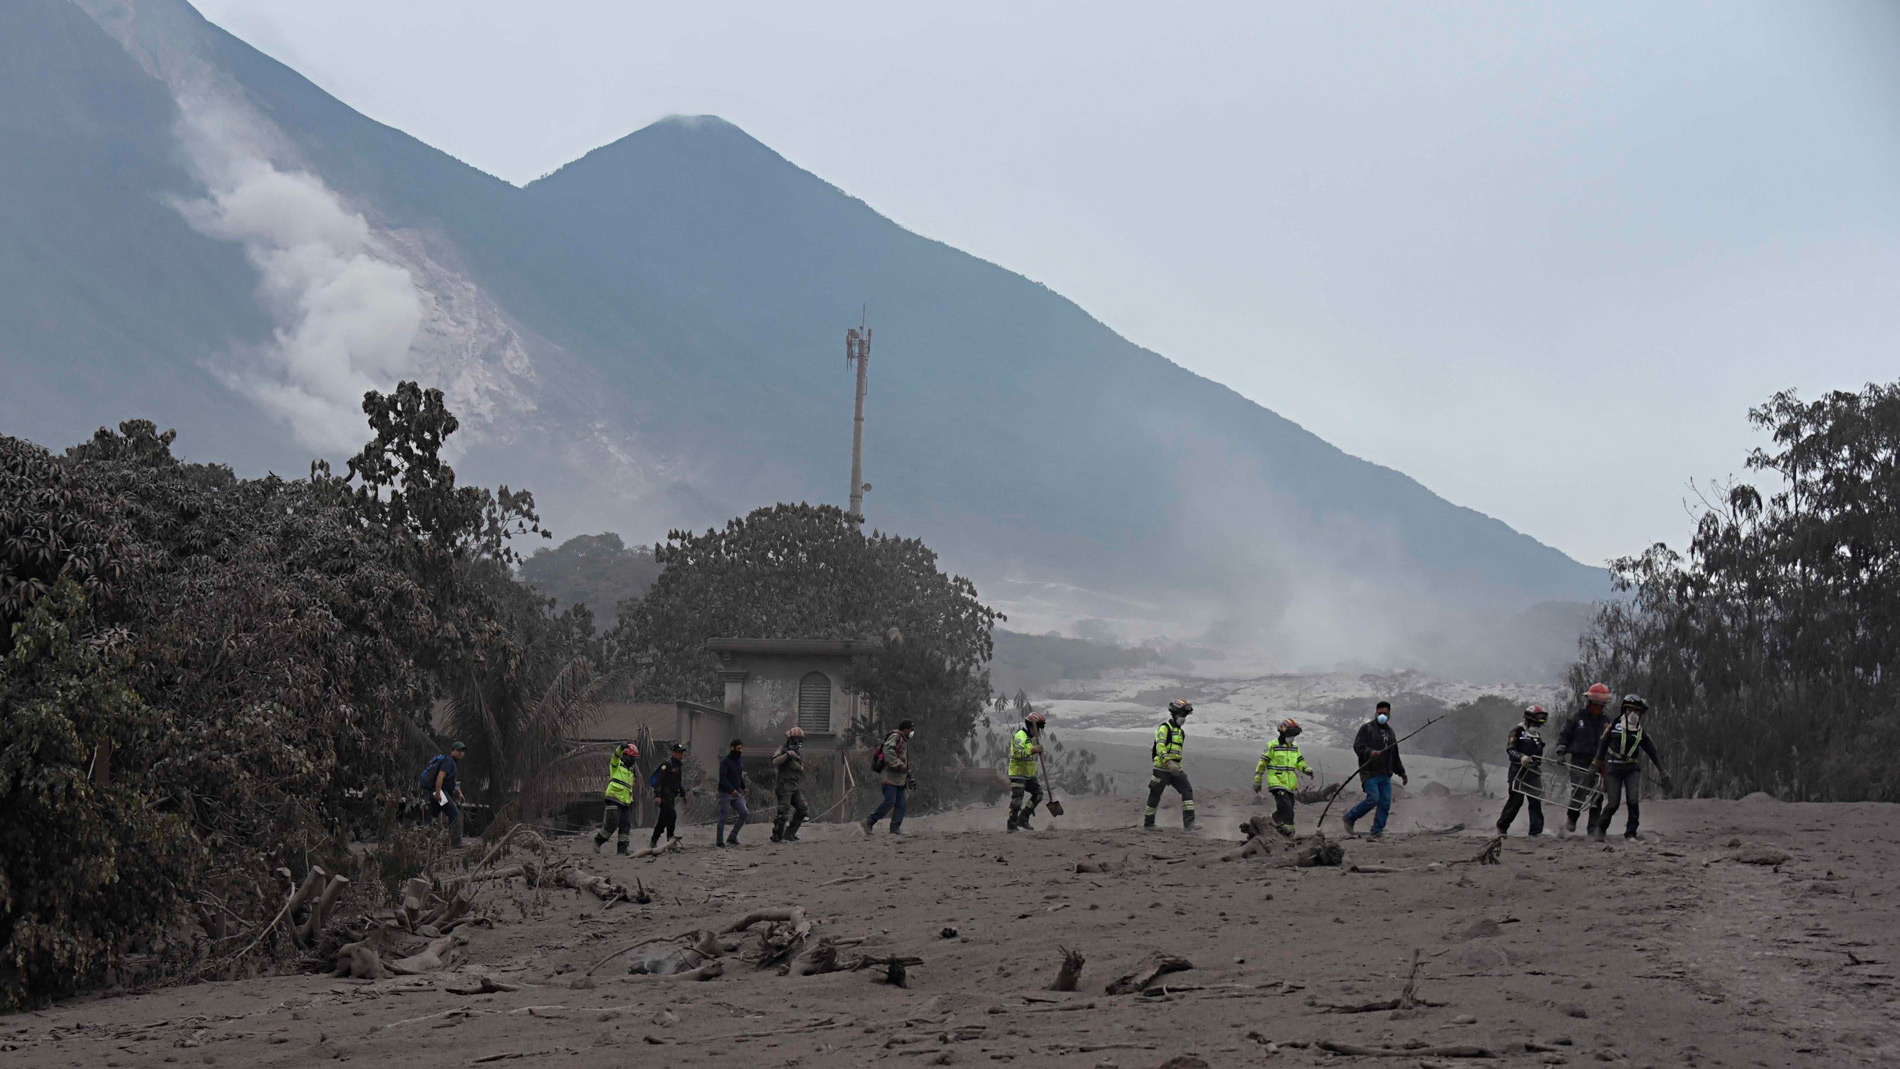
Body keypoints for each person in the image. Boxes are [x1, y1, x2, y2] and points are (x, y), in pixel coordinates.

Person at [1591, 694, 1673, 842]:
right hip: (1613, 768)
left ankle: (1631, 834)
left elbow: (1652, 752)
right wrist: (1595, 764)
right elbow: (1603, 745)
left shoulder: (1641, 732)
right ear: (1625, 710)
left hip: (1631, 769)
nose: (1634, 714)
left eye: (1637, 711)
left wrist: (1663, 773)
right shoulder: (1614, 726)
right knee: (1613, 803)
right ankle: (1601, 828)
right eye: (1631, 710)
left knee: (1633, 801)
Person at [1344, 702, 1408, 838]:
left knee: (1385, 803)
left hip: (1385, 773)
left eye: (1385, 713)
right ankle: (1350, 817)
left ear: (1389, 715)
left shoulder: (1390, 732)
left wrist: (1401, 772)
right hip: (1369, 772)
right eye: (1380, 713)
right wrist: (1370, 752)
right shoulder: (1367, 728)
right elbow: (1358, 746)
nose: (1382, 716)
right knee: (1373, 798)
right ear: (1375, 713)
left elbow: (1394, 754)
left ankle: (1377, 831)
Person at [1556, 683, 1615, 833]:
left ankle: (1593, 827)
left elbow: (1612, 743)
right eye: (1597, 704)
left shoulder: (1607, 722)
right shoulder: (1576, 717)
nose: (1599, 707)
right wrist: (1561, 753)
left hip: (1599, 762)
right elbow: (1564, 735)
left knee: (1597, 795)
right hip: (1579, 760)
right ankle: (1572, 817)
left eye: (1602, 705)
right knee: (1580, 790)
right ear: (1590, 702)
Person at [1252, 718, 1314, 837]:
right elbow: (1262, 763)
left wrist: (1307, 770)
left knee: (1285, 809)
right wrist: (1257, 780)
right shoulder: (1272, 746)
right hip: (1276, 782)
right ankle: (1289, 832)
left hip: (1290, 784)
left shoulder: (1295, 746)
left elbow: (1299, 762)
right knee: (1286, 807)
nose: (1292, 737)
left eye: (1294, 735)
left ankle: (1269, 822)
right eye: (1290, 734)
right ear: (1282, 732)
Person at [1144, 699, 1197, 830]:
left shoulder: (1180, 732)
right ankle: (1149, 824)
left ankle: (1189, 824)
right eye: (1182, 715)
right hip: (1161, 769)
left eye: (1185, 716)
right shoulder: (1164, 728)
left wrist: (1176, 766)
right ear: (1174, 714)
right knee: (1155, 794)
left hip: (1175, 770)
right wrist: (1168, 761)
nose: (1183, 719)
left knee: (1187, 790)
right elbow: (1160, 746)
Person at [1496, 705, 1548, 837]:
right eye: (1535, 723)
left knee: (1535, 800)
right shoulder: (1517, 731)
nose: (1537, 726)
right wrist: (1521, 757)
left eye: (1539, 724)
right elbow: (1510, 749)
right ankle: (1502, 827)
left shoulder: (1537, 735)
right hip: (1517, 771)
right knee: (1516, 801)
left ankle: (1536, 832)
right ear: (1528, 720)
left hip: (1533, 772)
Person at [863, 719, 915, 835]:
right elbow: (888, 752)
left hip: (900, 779)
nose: (912, 732)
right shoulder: (895, 737)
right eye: (911, 729)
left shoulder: (903, 740)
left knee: (901, 804)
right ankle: (869, 822)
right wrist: (899, 765)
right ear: (905, 729)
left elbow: (902, 760)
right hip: (890, 778)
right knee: (889, 802)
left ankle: (895, 828)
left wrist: (908, 775)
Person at [593, 741, 640, 855]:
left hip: (625, 802)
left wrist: (631, 801)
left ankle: (622, 849)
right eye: (633, 758)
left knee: (625, 824)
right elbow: (615, 756)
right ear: (627, 756)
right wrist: (620, 748)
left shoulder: (630, 772)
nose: (634, 761)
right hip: (613, 798)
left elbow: (629, 788)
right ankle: (598, 841)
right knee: (612, 822)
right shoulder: (616, 765)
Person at [1006, 710, 1048, 832]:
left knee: (1038, 794)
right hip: (1018, 774)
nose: (1038, 732)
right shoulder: (1020, 736)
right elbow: (1018, 753)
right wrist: (1033, 750)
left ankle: (1023, 818)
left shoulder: (1029, 739)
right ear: (1031, 726)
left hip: (1028, 775)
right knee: (1017, 800)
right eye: (1038, 728)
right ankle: (1011, 825)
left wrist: (1036, 750)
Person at [422, 741, 468, 848]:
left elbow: (452, 781)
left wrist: (459, 793)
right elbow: (440, 776)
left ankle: (422, 841)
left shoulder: (452, 763)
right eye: (458, 750)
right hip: (439, 793)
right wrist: (438, 792)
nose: (461, 753)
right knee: (454, 814)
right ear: (452, 751)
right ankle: (456, 841)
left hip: (436, 792)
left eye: (462, 751)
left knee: (431, 817)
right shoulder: (449, 762)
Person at [771, 727, 810, 843]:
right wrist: (787, 755)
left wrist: (799, 767)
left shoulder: (798, 752)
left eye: (799, 739)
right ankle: (777, 836)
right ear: (790, 739)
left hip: (794, 786)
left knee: (803, 809)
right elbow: (774, 761)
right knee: (783, 813)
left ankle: (789, 833)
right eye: (795, 739)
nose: (797, 742)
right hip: (784, 785)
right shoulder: (782, 749)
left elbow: (801, 768)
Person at [648, 743, 689, 850]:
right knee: (672, 815)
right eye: (679, 753)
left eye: (682, 753)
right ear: (673, 753)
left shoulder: (678, 766)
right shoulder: (667, 765)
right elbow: (659, 781)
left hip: (672, 797)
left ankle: (653, 841)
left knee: (663, 820)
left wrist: (683, 794)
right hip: (663, 796)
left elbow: (678, 782)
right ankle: (670, 839)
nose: (681, 755)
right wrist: (657, 796)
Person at [716, 739, 749, 847]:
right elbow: (723, 779)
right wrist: (731, 790)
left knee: (744, 813)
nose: (739, 751)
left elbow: (739, 777)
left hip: (736, 794)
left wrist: (744, 787)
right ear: (731, 748)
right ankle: (719, 842)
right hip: (724, 794)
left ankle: (732, 837)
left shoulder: (739, 761)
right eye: (737, 748)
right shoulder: (725, 762)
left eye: (741, 749)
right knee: (723, 817)